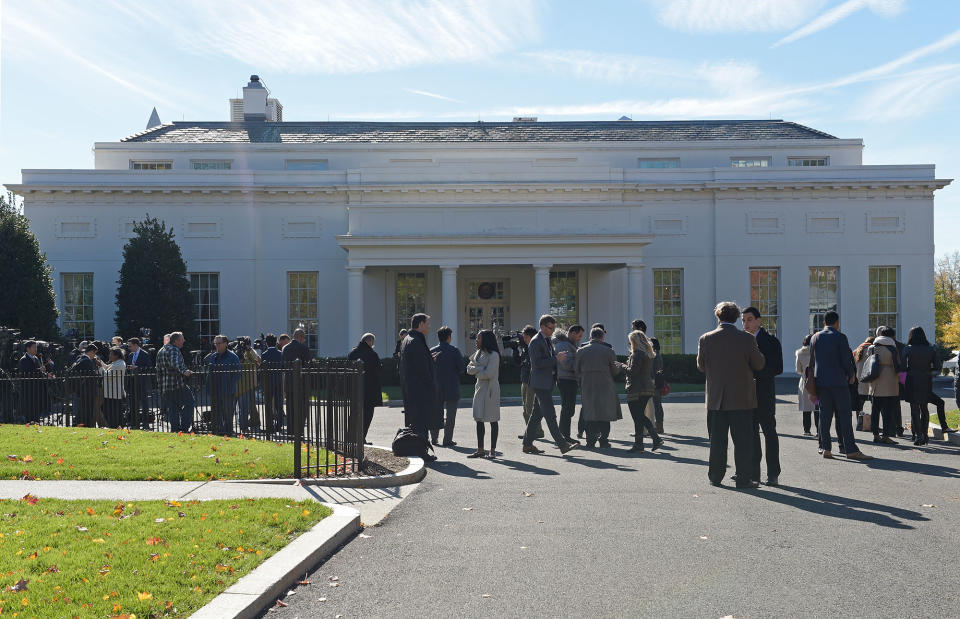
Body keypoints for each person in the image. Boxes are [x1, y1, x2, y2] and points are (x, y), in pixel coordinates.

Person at [697, 301, 765, 489]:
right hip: (741, 398)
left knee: (717, 441)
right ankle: (743, 478)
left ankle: (715, 476)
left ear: (718, 317)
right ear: (736, 318)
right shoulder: (747, 339)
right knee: (743, 442)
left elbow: (701, 366)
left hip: (716, 398)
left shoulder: (706, 338)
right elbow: (759, 364)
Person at [810, 312, 872, 460]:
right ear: (837, 322)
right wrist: (851, 374)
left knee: (824, 415)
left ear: (824, 322)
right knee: (844, 415)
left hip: (821, 381)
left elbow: (812, 360)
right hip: (838, 381)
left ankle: (826, 448)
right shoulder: (840, 336)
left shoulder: (815, 337)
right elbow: (846, 359)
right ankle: (850, 448)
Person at [522, 314, 578, 456]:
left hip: (545, 382)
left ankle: (527, 444)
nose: (552, 331)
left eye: (553, 328)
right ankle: (562, 444)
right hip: (540, 384)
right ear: (542, 327)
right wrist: (556, 359)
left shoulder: (546, 340)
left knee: (536, 415)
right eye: (550, 328)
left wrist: (555, 359)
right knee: (550, 415)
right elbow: (538, 363)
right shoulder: (535, 342)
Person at [741, 306, 783, 486]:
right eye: (743, 320)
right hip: (746, 395)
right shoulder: (740, 341)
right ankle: (754, 473)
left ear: (759, 321)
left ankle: (773, 473)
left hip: (764, 393)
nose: (746, 324)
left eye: (749, 319)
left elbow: (778, 368)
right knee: (751, 435)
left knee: (769, 432)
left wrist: (756, 373)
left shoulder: (771, 341)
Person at [575, 326, 623, 448]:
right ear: (602, 337)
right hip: (605, 385)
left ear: (590, 336)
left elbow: (576, 370)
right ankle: (604, 440)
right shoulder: (608, 351)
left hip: (587, 385)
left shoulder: (581, 351)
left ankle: (590, 440)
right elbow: (615, 371)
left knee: (590, 413)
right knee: (605, 413)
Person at [399, 314, 438, 460]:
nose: (429, 326)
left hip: (411, 389)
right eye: (427, 323)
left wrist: (429, 359)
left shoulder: (407, 340)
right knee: (421, 423)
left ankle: (419, 450)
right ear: (420, 324)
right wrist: (431, 385)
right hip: (420, 391)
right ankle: (422, 452)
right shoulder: (416, 341)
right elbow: (421, 369)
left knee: (417, 422)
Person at [624, 330, 664, 452]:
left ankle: (642, 443)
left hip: (637, 388)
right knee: (640, 416)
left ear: (634, 341)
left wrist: (621, 366)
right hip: (647, 387)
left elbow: (633, 371)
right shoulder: (648, 353)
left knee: (637, 416)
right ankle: (646, 442)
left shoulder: (637, 353)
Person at [466, 330, 501, 458]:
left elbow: (489, 374)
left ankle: (492, 450)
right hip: (480, 388)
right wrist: (480, 369)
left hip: (491, 389)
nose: (476, 340)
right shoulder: (478, 353)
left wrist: (477, 370)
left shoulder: (494, 355)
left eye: (478, 338)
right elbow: (469, 369)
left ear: (485, 340)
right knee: (479, 419)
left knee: (493, 419)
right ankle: (480, 449)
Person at [431, 326, 466, 446]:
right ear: (449, 337)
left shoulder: (432, 351)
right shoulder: (454, 350)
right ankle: (447, 439)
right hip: (452, 386)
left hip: (436, 387)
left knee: (435, 413)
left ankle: (434, 438)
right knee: (450, 415)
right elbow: (462, 368)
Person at [903, 326, 939, 446]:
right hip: (926, 380)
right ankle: (925, 435)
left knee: (914, 409)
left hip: (912, 379)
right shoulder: (931, 349)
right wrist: (928, 373)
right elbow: (937, 368)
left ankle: (919, 435)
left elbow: (902, 367)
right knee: (924, 408)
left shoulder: (907, 349)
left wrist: (903, 380)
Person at [867, 326, 901, 445]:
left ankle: (875, 435)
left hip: (875, 381)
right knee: (887, 411)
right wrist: (903, 380)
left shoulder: (872, 347)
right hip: (890, 381)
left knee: (875, 410)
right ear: (891, 336)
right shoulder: (892, 348)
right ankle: (886, 436)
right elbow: (898, 365)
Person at [348, 333, 383, 443]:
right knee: (367, 416)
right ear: (370, 342)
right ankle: (361, 438)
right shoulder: (372, 354)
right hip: (368, 391)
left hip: (354, 389)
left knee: (354, 414)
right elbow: (377, 371)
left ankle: (351, 437)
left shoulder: (352, 353)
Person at [156, 332, 195, 433]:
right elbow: (175, 363)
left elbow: (158, 370)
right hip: (176, 384)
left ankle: (175, 430)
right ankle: (184, 428)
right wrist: (185, 372)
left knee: (173, 408)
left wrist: (161, 388)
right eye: (182, 339)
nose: (184, 341)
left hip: (166, 386)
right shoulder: (174, 349)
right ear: (176, 341)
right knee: (190, 402)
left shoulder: (161, 350)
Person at [554, 324, 584, 444]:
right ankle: (564, 436)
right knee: (567, 409)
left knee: (568, 409)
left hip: (569, 379)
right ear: (572, 333)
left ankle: (564, 436)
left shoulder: (569, 344)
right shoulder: (563, 345)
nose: (580, 338)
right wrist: (581, 365)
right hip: (566, 379)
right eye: (579, 335)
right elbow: (566, 364)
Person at [207, 335, 241, 435]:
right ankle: (218, 432)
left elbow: (237, 373)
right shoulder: (213, 356)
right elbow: (210, 373)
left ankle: (228, 432)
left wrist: (229, 385)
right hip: (215, 390)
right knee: (216, 413)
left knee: (228, 414)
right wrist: (209, 388)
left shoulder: (233, 357)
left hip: (227, 390)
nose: (217, 345)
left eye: (219, 343)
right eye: (215, 343)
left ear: (226, 344)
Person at [513, 325, 543, 440]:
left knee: (530, 407)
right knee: (525, 408)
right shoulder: (526, 348)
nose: (523, 339)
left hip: (532, 381)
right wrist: (515, 350)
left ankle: (537, 431)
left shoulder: (534, 347)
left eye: (525, 337)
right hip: (524, 380)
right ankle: (531, 431)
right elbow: (518, 362)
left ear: (531, 337)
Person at [282, 328, 312, 435]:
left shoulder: (285, 348)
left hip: (289, 383)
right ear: (300, 337)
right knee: (302, 410)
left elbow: (283, 366)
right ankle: (299, 432)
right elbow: (309, 365)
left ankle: (290, 431)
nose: (304, 340)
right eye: (303, 338)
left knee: (291, 409)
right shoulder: (303, 348)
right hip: (301, 383)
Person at [124, 337, 153, 429]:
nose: (129, 348)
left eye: (130, 346)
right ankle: (134, 422)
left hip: (142, 381)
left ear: (136, 345)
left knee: (144, 402)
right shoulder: (130, 355)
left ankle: (145, 422)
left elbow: (149, 367)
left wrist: (137, 368)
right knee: (132, 402)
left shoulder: (145, 354)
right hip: (132, 381)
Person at [260, 334, 285, 434]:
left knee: (269, 405)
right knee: (279, 405)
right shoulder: (280, 353)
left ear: (266, 343)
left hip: (268, 382)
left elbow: (262, 370)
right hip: (278, 381)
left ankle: (270, 425)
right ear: (276, 342)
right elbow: (283, 367)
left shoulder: (264, 354)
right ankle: (279, 425)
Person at [71, 344, 101, 427]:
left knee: (82, 409)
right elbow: (93, 375)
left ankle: (80, 424)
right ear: (91, 352)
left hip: (82, 390)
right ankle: (85, 425)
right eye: (94, 353)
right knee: (87, 410)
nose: (95, 356)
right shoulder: (87, 361)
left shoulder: (80, 358)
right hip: (88, 390)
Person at [237, 338, 261, 433]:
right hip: (241, 383)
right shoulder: (237, 351)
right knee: (246, 405)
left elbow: (258, 361)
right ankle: (251, 422)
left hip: (250, 382)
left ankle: (253, 421)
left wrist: (250, 350)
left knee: (249, 405)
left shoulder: (250, 351)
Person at [97, 347, 126, 428]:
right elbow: (107, 368)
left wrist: (100, 367)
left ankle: (115, 426)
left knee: (113, 413)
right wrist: (101, 362)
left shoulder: (120, 364)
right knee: (109, 412)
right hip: (110, 393)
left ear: (116, 355)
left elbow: (106, 374)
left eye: (111, 354)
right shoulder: (116, 363)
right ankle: (114, 426)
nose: (109, 356)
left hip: (114, 394)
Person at [16, 341, 45, 423]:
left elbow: (39, 372)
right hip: (28, 389)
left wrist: (46, 374)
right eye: (34, 347)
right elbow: (26, 373)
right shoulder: (23, 359)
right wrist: (40, 370)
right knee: (30, 408)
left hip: (37, 388)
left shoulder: (36, 358)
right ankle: (29, 422)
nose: (36, 349)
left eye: (36, 347)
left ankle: (36, 421)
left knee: (37, 408)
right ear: (28, 348)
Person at [852, 336, 875, 434]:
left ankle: (860, 423)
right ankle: (873, 424)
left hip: (859, 382)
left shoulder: (857, 350)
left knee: (859, 405)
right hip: (870, 382)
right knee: (874, 405)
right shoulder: (872, 350)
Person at [796, 335, 817, 435]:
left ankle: (806, 430)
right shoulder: (818, 351)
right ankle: (819, 430)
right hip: (816, 383)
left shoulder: (800, 353)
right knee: (817, 406)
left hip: (805, 382)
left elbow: (798, 370)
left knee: (806, 408)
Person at [650, 337, 666, 434]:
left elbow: (653, 370)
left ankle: (659, 426)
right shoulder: (658, 354)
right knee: (658, 404)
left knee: (656, 404)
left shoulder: (654, 355)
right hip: (658, 381)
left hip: (655, 382)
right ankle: (659, 425)